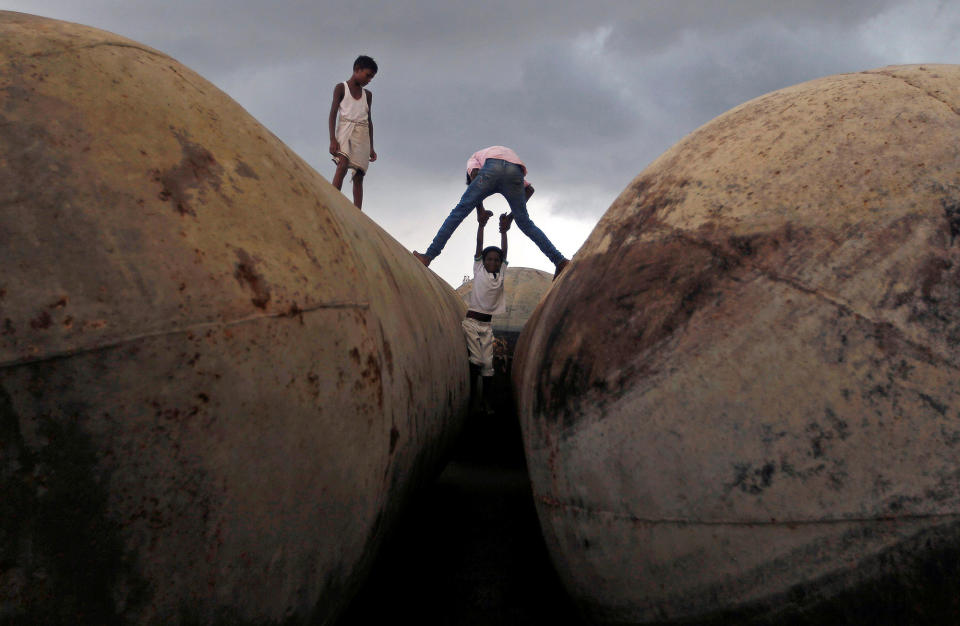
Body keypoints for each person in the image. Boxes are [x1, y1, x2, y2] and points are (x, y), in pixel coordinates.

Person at [413, 146, 570, 278]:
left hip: (492, 168)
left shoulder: (473, 159)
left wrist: (479, 211)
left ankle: (428, 256)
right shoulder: (498, 154)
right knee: (526, 224)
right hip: (514, 170)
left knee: (459, 212)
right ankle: (560, 261)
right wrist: (510, 218)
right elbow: (529, 190)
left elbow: (474, 177)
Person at [462, 209, 511, 414]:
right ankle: (473, 399)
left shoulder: (500, 276)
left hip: (487, 326)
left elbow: (505, 252)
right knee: (477, 361)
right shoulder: (479, 270)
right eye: (489, 259)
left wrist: (504, 232)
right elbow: (479, 246)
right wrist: (481, 226)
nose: (492, 262)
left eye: (496, 260)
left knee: (489, 368)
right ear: (483, 261)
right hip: (472, 323)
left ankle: (486, 401)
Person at [328, 55, 378, 209]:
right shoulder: (341, 88)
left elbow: (369, 120)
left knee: (359, 175)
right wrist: (332, 139)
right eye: (367, 75)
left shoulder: (367, 95)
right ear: (357, 70)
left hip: (362, 134)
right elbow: (333, 114)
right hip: (346, 130)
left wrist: (371, 147)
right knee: (342, 164)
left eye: (371, 77)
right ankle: (333, 201)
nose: (369, 80)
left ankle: (357, 212)